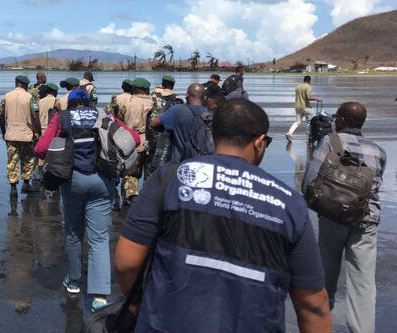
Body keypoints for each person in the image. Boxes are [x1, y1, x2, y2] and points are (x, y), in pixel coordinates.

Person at [115, 99, 332, 332]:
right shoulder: (289, 203)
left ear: (214, 134)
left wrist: (139, 305)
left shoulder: (170, 178)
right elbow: (313, 305)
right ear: (259, 142)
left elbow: (127, 262)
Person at [35, 89, 140, 312]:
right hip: (103, 181)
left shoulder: (62, 117)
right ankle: (100, 295)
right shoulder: (105, 115)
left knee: (73, 232)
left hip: (73, 181)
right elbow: (134, 138)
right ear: (89, 102)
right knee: (99, 238)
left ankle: (73, 281)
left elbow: (41, 148)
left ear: (71, 104)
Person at [302, 102, 386, 333]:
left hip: (333, 217)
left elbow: (309, 180)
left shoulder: (330, 141)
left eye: (337, 117)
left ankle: (321, 325)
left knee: (326, 275)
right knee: (363, 282)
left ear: (343, 121)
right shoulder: (378, 150)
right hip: (366, 221)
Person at [0, 75, 40, 194]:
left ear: (16, 83)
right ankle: (26, 184)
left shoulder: (7, 96)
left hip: (11, 134)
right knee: (27, 159)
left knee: (12, 160)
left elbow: (1, 117)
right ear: (25, 85)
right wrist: (39, 132)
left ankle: (13, 188)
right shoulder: (29, 97)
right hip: (26, 134)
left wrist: (3, 132)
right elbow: (35, 116)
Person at [149, 83, 210, 162]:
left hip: (180, 163)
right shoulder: (210, 114)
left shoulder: (177, 110)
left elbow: (153, 124)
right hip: (204, 163)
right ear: (205, 98)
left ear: (187, 95)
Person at [120, 78, 153, 204]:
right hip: (151, 144)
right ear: (147, 89)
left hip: (133, 142)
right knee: (150, 175)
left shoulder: (128, 103)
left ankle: (131, 199)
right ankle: (149, 200)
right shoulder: (157, 102)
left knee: (131, 174)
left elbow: (118, 121)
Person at [285, 76, 322, 142]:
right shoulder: (308, 87)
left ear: (304, 80)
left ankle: (289, 133)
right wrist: (317, 99)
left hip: (298, 106)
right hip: (306, 107)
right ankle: (308, 137)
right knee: (309, 122)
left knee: (297, 122)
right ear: (309, 81)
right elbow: (308, 97)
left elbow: (301, 97)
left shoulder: (298, 86)